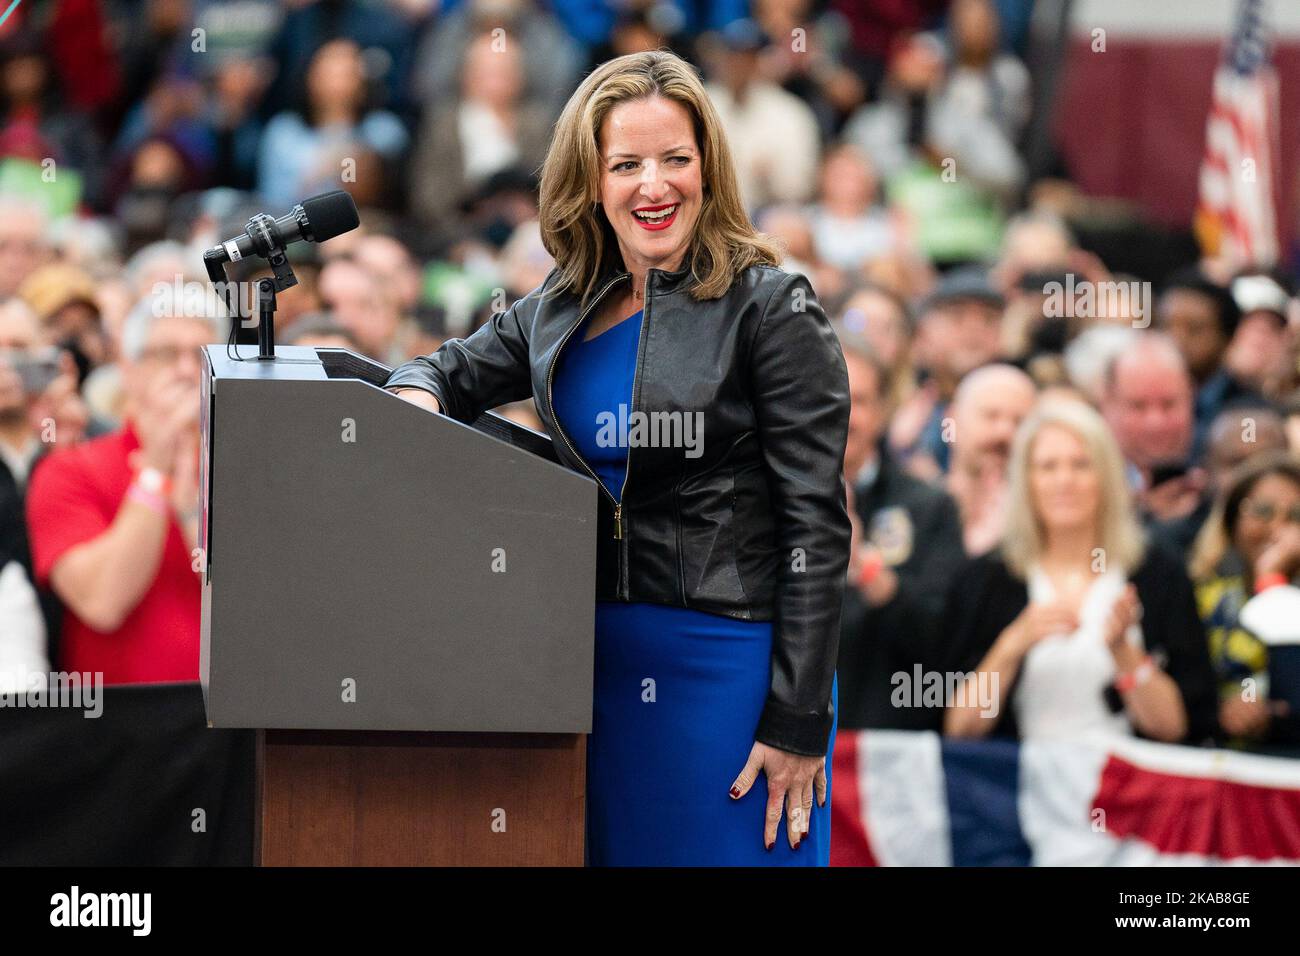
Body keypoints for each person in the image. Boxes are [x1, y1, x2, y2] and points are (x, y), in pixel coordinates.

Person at [383, 50, 850, 865]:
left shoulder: (771, 307)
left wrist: (799, 720)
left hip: (728, 670)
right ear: (590, 181)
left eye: (676, 159)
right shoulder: (564, 302)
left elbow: (817, 522)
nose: (654, 185)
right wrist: (417, 409)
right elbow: (436, 371)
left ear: (709, 168)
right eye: (626, 164)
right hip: (586, 669)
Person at [939, 399, 1217, 743]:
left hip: (1127, 787)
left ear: (1106, 476)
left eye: (1081, 465)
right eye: (1048, 467)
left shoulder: (1157, 572)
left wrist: (1124, 652)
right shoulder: (988, 579)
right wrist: (1012, 645)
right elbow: (959, 729)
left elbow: (1176, 728)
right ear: (1025, 481)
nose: (1064, 480)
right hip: (1018, 786)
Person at [25, 295, 227, 684]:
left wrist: (191, 512)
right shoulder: (70, 469)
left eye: (202, 357)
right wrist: (155, 472)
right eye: (167, 354)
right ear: (129, 369)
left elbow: (255, 613)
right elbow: (103, 602)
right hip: (119, 727)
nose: (187, 371)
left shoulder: (248, 468)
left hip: (235, 723)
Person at [835, 324, 963, 731]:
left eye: (860, 401)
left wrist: (866, 567)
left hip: (888, 753)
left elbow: (944, 640)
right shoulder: (758, 499)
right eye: (828, 397)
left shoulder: (930, 507)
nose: (843, 415)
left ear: (885, 409)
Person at [1188, 453, 1300, 750]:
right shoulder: (1200, 595)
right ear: (1232, 519)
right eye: (1262, 511)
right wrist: (1221, 711)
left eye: (1296, 516)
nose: (1278, 528)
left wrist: (1271, 581)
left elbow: (1292, 696)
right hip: (1216, 766)